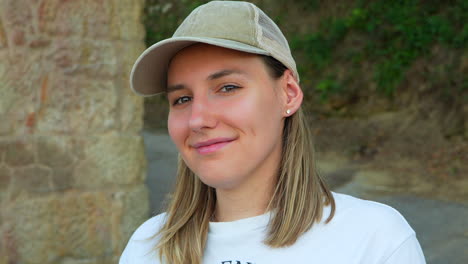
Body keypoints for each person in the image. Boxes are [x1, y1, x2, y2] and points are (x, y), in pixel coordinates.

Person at [120, 1, 426, 263]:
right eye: (182, 99)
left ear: (289, 94)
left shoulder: (374, 241)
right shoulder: (147, 247)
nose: (197, 119)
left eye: (228, 87)